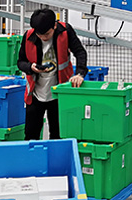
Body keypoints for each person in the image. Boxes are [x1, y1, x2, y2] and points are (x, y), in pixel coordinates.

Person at [17, 8, 87, 140]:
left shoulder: (65, 31)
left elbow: (80, 52)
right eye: (39, 35)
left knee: (57, 135)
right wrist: (30, 67)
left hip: (59, 93)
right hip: (35, 94)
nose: (43, 38)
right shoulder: (29, 36)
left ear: (54, 25)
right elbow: (20, 62)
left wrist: (80, 73)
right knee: (31, 135)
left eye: (47, 34)